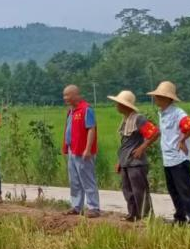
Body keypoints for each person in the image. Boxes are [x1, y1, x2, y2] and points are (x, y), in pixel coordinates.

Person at [144, 81, 190, 225]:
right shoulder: (162, 113)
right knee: (173, 190)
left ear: (167, 98)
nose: (155, 99)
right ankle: (180, 217)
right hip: (168, 158)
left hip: (179, 158)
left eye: (158, 96)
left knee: (185, 190)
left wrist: (182, 140)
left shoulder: (177, 113)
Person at [107, 90, 151, 221]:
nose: (116, 106)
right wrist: (120, 161)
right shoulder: (125, 120)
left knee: (139, 191)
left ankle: (146, 217)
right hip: (126, 162)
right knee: (127, 190)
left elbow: (154, 133)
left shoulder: (138, 119)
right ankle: (133, 215)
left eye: (118, 104)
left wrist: (142, 148)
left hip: (136, 163)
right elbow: (125, 144)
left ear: (125, 105)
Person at [62, 84, 99, 217]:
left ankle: (94, 207)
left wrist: (88, 149)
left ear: (75, 95)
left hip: (83, 151)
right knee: (74, 180)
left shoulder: (86, 109)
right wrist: (66, 147)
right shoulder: (71, 111)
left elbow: (91, 129)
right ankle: (76, 206)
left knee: (87, 179)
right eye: (64, 95)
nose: (65, 98)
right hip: (72, 149)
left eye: (67, 95)